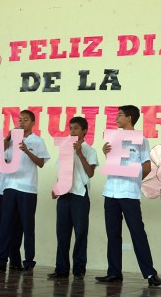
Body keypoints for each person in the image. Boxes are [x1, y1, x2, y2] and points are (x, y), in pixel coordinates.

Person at [95, 105, 161, 287]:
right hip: (110, 191)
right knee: (113, 234)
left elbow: (147, 166)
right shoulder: (113, 139)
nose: (116, 118)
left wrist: (133, 178)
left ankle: (150, 273)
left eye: (120, 115)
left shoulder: (140, 139)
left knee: (137, 232)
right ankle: (114, 272)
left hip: (129, 193)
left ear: (129, 118)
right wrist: (106, 153)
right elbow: (112, 163)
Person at [0, 110, 50, 273]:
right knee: (5, 225)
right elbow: (2, 161)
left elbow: (41, 163)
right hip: (10, 186)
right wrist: (0, 146)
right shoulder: (11, 140)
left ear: (33, 123)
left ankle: (28, 261)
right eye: (20, 120)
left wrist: (27, 150)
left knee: (27, 226)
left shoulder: (38, 141)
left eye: (26, 120)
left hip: (27, 188)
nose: (22, 122)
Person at [47, 117, 99, 281]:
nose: (72, 131)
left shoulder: (90, 150)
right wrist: (56, 188)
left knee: (81, 232)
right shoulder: (64, 149)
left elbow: (90, 173)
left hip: (80, 196)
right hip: (64, 195)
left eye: (76, 128)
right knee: (62, 234)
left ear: (84, 131)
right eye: (70, 128)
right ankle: (61, 269)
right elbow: (61, 172)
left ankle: (79, 269)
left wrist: (79, 153)